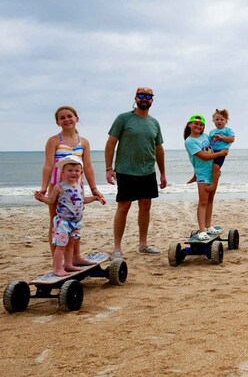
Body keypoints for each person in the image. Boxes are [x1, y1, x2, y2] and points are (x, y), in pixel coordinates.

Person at [105, 87, 167, 258]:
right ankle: (116, 248)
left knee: (145, 206)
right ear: (136, 98)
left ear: (152, 100)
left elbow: (159, 149)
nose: (144, 99)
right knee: (123, 207)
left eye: (148, 96)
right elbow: (110, 144)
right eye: (141, 96)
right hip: (126, 171)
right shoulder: (124, 118)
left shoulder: (154, 122)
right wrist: (109, 168)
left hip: (147, 171)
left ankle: (143, 244)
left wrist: (162, 173)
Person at [38, 106, 105, 264]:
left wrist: (94, 188)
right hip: (58, 187)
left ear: (76, 118)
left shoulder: (84, 142)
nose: (67, 119)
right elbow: (48, 165)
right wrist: (43, 187)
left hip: (76, 188)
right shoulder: (54, 141)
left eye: (69, 116)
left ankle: (76, 257)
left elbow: (87, 166)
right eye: (62, 118)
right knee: (56, 221)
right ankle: (58, 261)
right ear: (57, 122)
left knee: (75, 221)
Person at [34, 156, 105, 276]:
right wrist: (41, 198)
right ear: (63, 172)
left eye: (77, 170)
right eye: (70, 170)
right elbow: (51, 201)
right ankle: (57, 268)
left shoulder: (80, 186)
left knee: (71, 244)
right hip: (63, 222)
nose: (73, 173)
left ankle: (68, 264)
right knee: (61, 246)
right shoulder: (59, 187)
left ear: (81, 172)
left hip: (76, 222)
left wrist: (94, 198)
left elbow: (82, 200)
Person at [184, 114, 228, 240]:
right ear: (189, 125)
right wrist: (221, 153)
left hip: (213, 172)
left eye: (201, 124)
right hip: (203, 174)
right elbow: (203, 156)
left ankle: (208, 226)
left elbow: (213, 148)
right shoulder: (190, 141)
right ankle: (202, 230)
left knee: (210, 199)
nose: (198, 126)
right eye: (196, 123)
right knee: (203, 201)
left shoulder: (205, 136)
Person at [188, 109, 235, 191]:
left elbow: (232, 139)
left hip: (221, 152)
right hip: (212, 151)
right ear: (213, 121)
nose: (219, 121)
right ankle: (195, 176)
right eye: (217, 119)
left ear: (226, 121)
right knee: (203, 165)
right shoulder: (212, 132)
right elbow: (208, 141)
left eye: (222, 119)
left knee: (216, 168)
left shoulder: (227, 130)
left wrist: (222, 137)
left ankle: (213, 184)